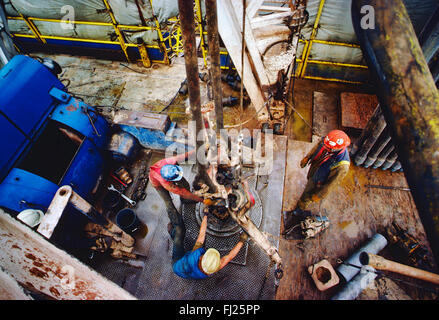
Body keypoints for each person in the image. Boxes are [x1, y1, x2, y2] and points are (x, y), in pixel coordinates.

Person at [283, 130, 351, 237]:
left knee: (306, 196)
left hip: (319, 181)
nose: (325, 147)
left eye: (328, 148)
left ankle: (299, 210)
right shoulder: (327, 143)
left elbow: (331, 185)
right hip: (315, 170)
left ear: (337, 149)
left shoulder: (342, 166)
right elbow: (318, 147)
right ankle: (301, 205)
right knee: (308, 183)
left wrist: (318, 195)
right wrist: (307, 157)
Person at [149, 150, 213, 259]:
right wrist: (202, 200)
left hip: (167, 174)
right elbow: (184, 193)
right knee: (168, 203)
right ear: (171, 181)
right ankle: (177, 225)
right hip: (157, 183)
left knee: (185, 185)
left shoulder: (170, 162)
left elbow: (185, 155)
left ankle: (185, 202)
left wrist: (202, 149)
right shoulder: (167, 184)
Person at [172, 211, 249, 279]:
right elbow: (229, 257)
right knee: (179, 234)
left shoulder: (195, 255)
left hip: (177, 266)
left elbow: (201, 236)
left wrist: (205, 215)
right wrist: (242, 241)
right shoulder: (212, 269)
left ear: (201, 258)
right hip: (188, 271)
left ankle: (173, 232)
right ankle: (174, 233)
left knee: (178, 231)